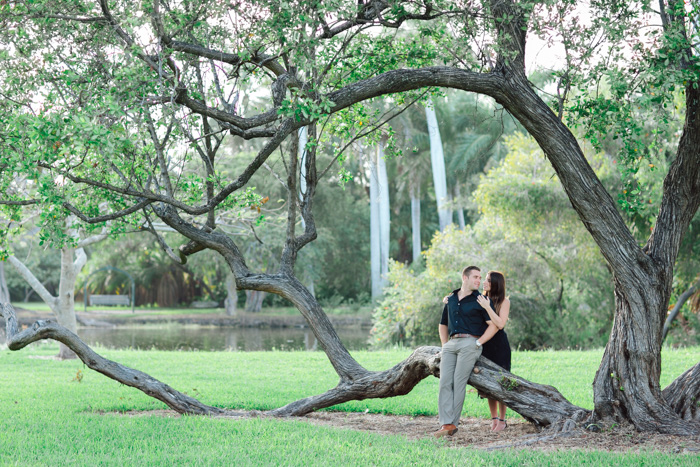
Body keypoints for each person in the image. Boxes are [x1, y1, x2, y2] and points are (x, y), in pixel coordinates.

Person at [434, 266, 499, 438]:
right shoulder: (451, 299)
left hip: (470, 343)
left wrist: (478, 342)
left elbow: (493, 326)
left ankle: (452, 424)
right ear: (465, 277)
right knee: (445, 382)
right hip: (451, 343)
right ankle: (445, 423)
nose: (479, 281)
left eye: (480, 277)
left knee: (458, 381)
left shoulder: (481, 300)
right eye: (475, 277)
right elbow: (442, 324)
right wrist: (444, 345)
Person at [476, 271, 511, 432]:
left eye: (488, 280)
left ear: (495, 283)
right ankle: (494, 420)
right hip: (485, 345)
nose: (484, 282)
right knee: (488, 385)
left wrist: (487, 307)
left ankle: (503, 420)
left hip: (499, 347)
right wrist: (448, 299)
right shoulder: (481, 299)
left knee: (501, 384)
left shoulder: (504, 301)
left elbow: (500, 324)